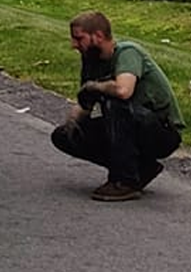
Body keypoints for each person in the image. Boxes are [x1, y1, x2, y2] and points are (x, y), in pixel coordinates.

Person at [49, 11, 183, 201]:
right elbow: (85, 102)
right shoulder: (91, 62)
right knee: (64, 135)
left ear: (98, 36)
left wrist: (95, 87)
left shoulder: (128, 52)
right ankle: (141, 168)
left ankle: (125, 181)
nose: (74, 45)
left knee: (115, 102)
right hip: (124, 126)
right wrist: (72, 124)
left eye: (79, 39)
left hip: (160, 132)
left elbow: (123, 91)